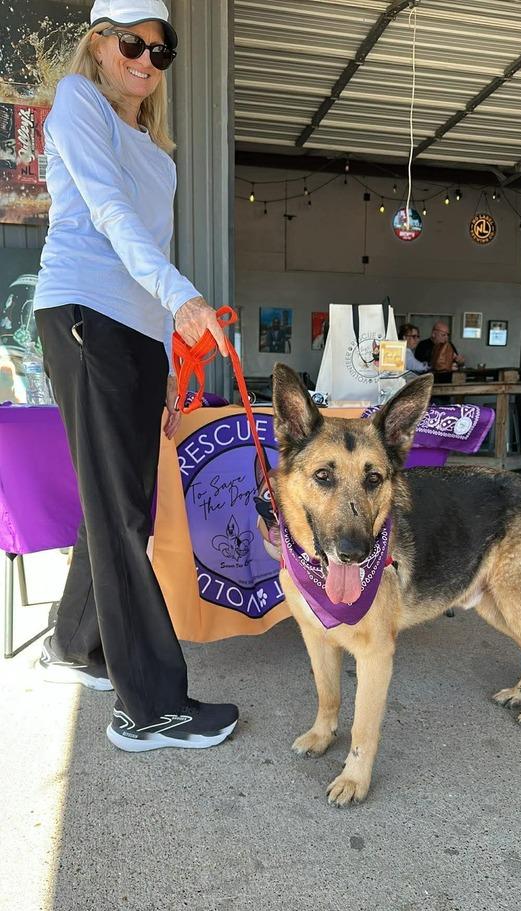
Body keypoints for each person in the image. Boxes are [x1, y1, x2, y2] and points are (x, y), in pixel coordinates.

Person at [33, 0, 238, 752]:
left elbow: (149, 241)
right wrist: (183, 298)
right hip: (85, 314)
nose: (146, 61)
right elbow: (110, 213)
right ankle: (149, 708)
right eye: (132, 44)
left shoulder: (159, 151)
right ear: (99, 43)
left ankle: (74, 645)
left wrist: (170, 363)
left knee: (117, 502)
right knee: (122, 514)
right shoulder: (78, 102)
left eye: (160, 51)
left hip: (137, 334)